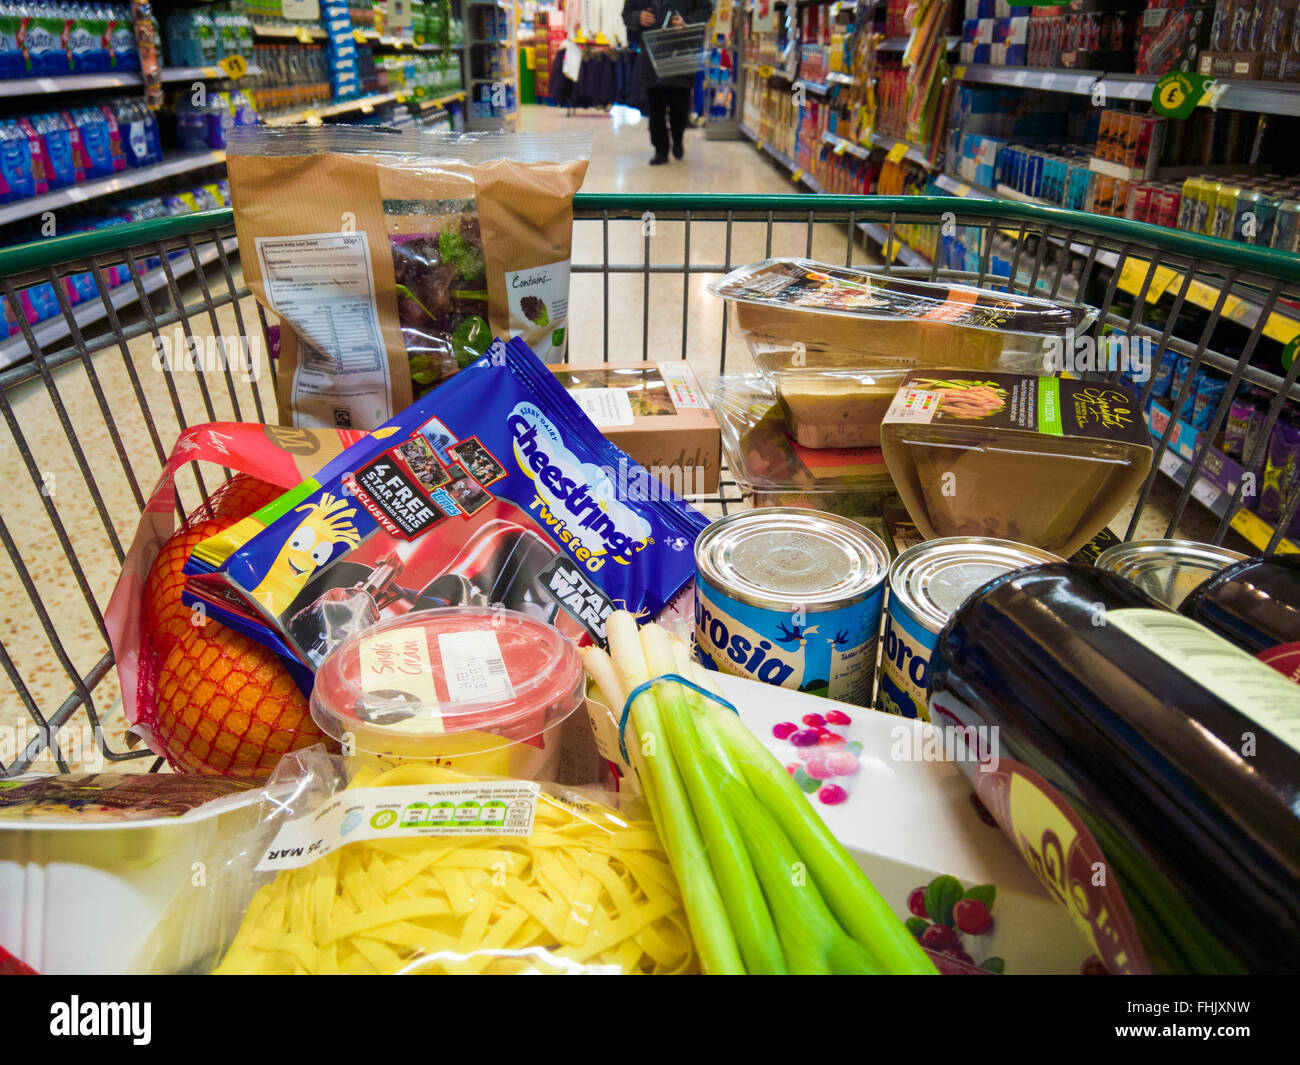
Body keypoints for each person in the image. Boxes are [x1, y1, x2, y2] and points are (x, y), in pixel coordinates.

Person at [623, 0, 713, 166]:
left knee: (679, 106)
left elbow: (706, 8)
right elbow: (627, 14)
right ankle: (660, 150)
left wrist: (686, 21)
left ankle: (678, 138)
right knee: (655, 107)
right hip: (651, 55)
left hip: (680, 54)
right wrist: (638, 17)